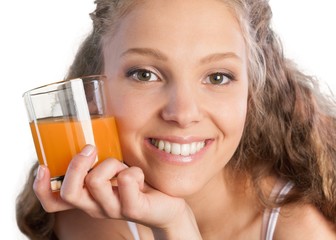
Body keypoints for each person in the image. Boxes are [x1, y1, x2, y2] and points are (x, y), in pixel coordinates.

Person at [16, 0, 336, 239]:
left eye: (218, 77)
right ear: (95, 89)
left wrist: (175, 224)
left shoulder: (300, 228)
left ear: (252, 94)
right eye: (145, 74)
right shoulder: (90, 217)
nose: (183, 114)